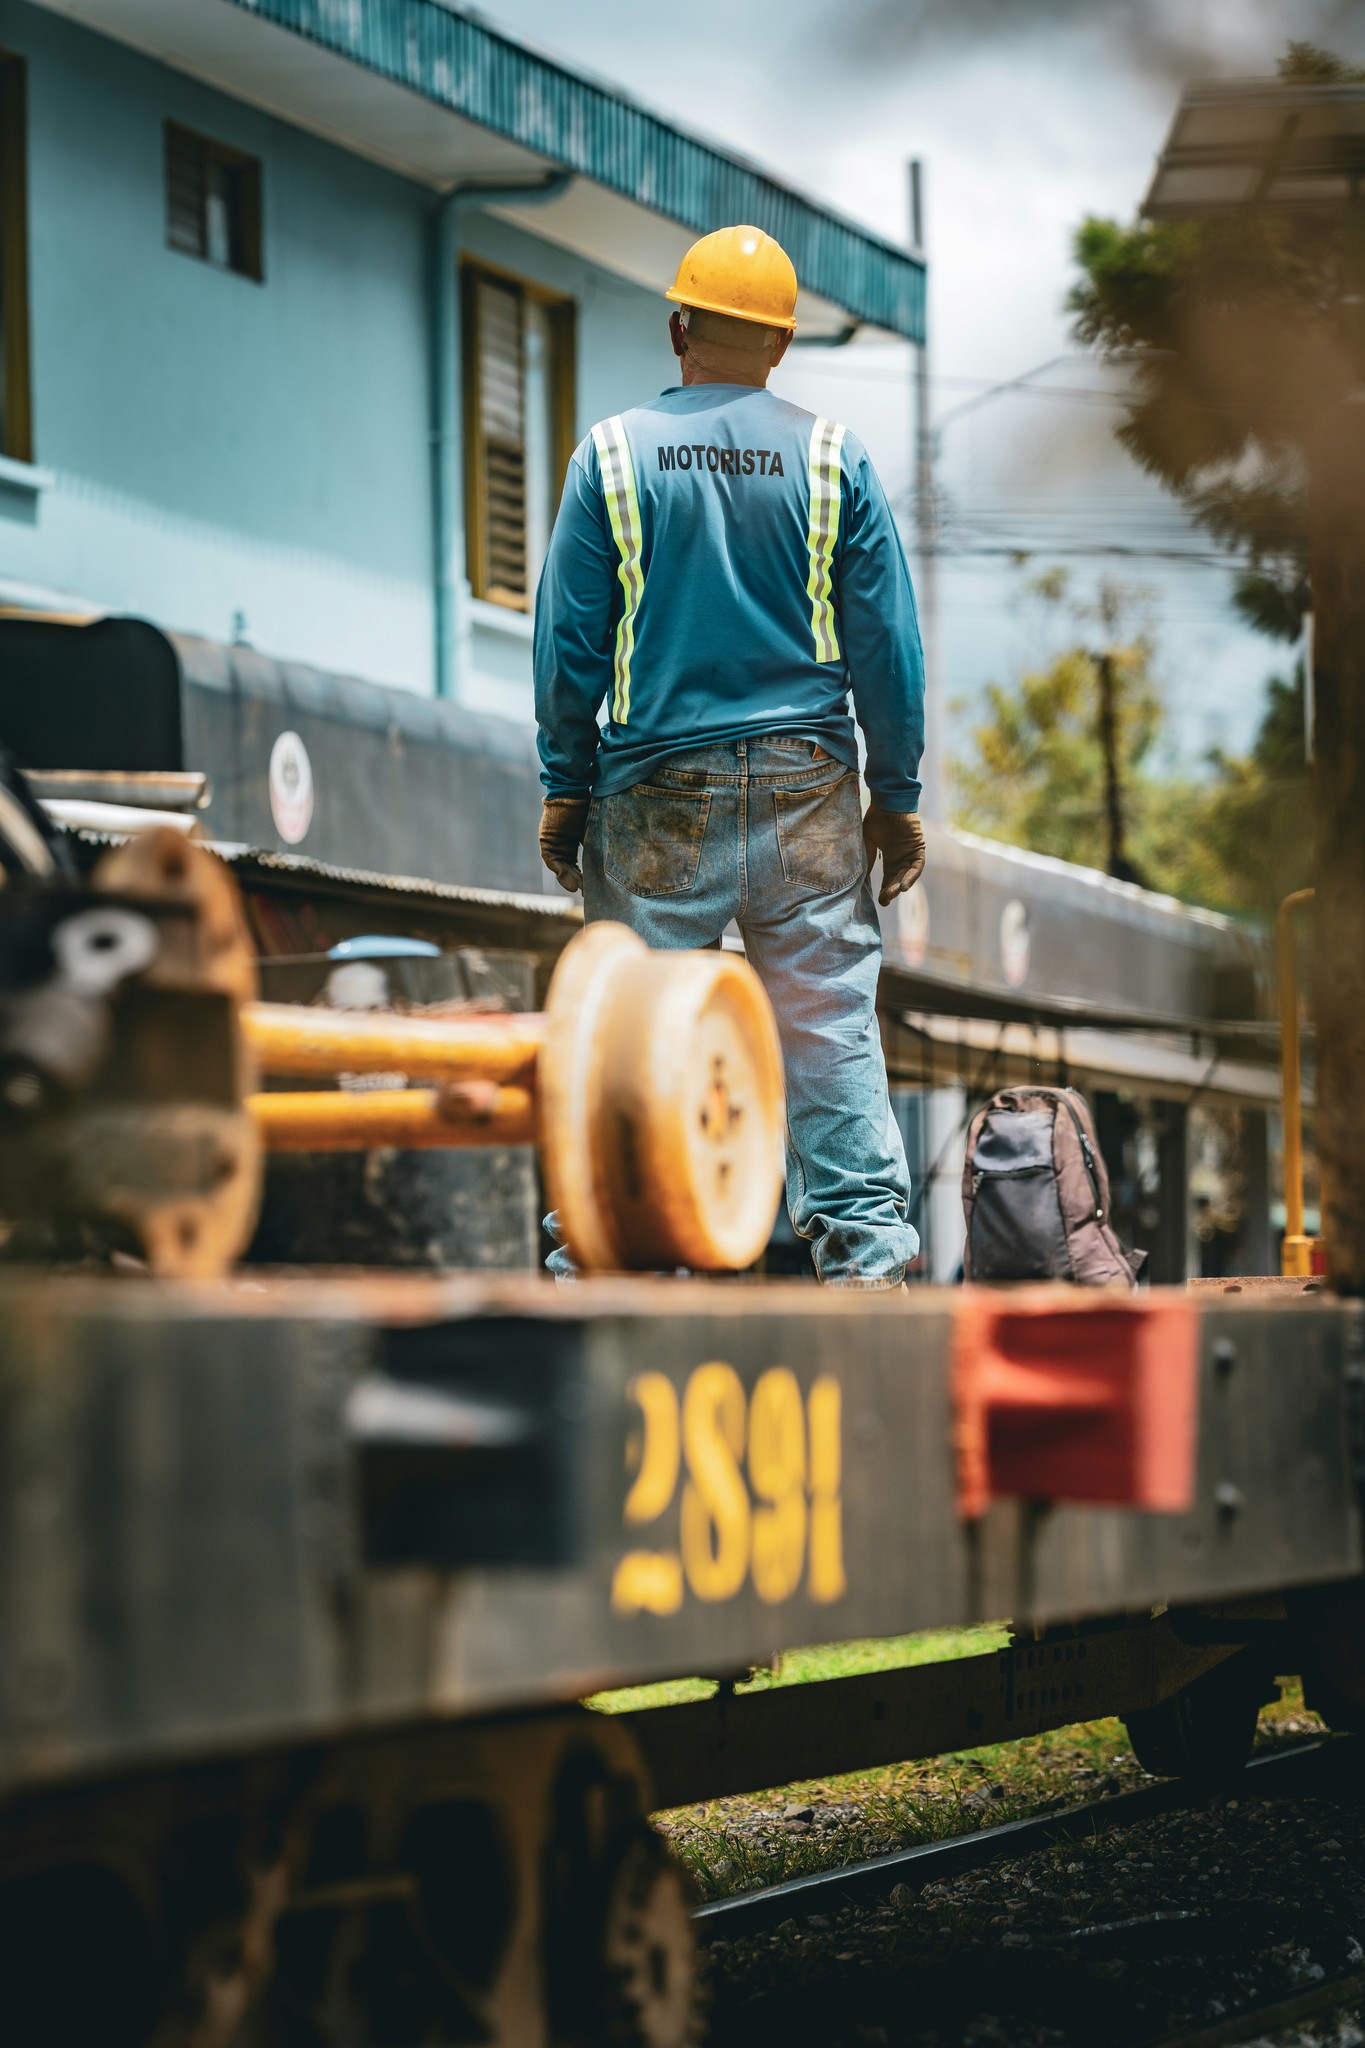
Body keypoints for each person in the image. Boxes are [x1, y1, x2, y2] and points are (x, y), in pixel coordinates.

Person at [533, 225, 926, 1286]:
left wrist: (564, 788)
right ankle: (874, 1277)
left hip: (656, 791)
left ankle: (604, 1285)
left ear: (678, 327)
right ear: (783, 344)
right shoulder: (838, 458)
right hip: (810, 792)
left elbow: (570, 644)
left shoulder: (611, 456)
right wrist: (895, 796)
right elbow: (887, 644)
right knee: (829, 1030)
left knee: (634, 1050)